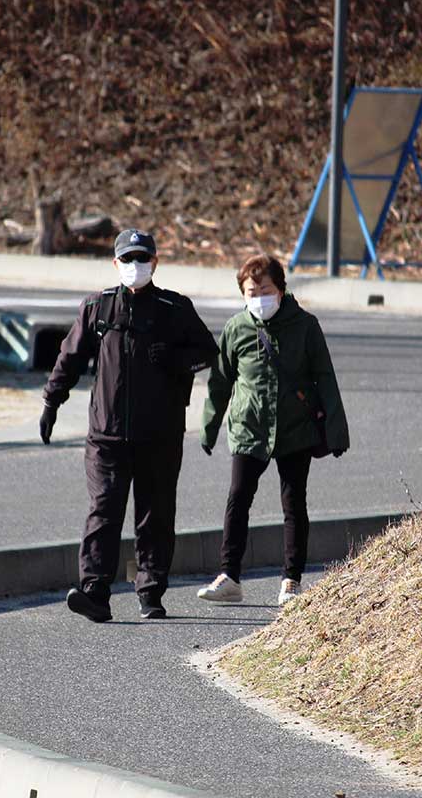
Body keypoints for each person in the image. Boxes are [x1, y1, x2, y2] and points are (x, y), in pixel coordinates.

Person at [41, 229, 218, 621]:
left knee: (155, 515)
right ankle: (95, 593)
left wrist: (174, 358)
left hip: (160, 434)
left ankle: (150, 593)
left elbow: (207, 351)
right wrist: (52, 401)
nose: (134, 267)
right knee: (103, 510)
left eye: (142, 259)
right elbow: (69, 357)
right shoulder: (98, 308)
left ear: (155, 263)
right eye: (127, 259)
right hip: (107, 434)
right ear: (115, 263)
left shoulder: (175, 308)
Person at [197, 254, 349, 606]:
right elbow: (220, 381)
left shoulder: (305, 325)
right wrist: (209, 427)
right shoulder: (236, 328)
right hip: (248, 428)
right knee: (238, 498)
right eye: (251, 291)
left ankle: (291, 581)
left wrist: (337, 431)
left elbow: (325, 377)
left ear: (280, 290)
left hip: (295, 429)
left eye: (265, 289)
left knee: (294, 503)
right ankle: (229, 576)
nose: (259, 297)